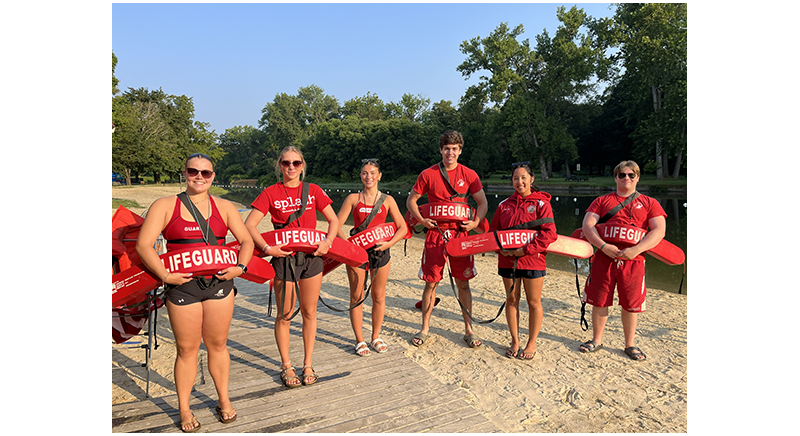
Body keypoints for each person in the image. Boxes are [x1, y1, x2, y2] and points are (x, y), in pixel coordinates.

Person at [136, 153, 253, 432]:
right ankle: (184, 408)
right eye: (193, 171)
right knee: (187, 350)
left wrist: (241, 267)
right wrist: (164, 275)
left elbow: (246, 240)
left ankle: (223, 399)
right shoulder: (165, 205)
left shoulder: (224, 207)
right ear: (185, 173)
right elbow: (144, 245)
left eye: (206, 173)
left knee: (218, 345)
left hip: (220, 285)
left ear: (213, 177)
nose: (199, 177)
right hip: (182, 287)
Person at [244, 146, 339, 387]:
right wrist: (267, 249)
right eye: (286, 163)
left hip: (312, 259)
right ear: (279, 165)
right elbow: (250, 225)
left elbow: (334, 220)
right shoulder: (270, 192)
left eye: (296, 163)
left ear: (302, 166)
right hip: (284, 259)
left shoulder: (314, 190)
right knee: (285, 315)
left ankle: (307, 363)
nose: (291, 167)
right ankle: (286, 365)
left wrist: (328, 242)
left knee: (309, 312)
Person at [406, 130, 488, 348]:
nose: (450, 152)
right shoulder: (428, 174)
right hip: (435, 234)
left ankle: (469, 329)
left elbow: (482, 202)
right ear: (441, 150)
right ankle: (424, 328)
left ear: (460, 151)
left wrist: (474, 223)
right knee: (431, 283)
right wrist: (422, 220)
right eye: (446, 148)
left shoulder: (469, 174)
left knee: (464, 283)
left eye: (454, 149)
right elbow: (411, 201)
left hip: (461, 235)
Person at [578, 160, 666, 361]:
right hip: (604, 257)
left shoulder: (650, 203)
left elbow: (659, 230)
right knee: (600, 300)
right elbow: (587, 225)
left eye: (631, 175)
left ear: (637, 177)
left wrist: (636, 249)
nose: (626, 178)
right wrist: (603, 246)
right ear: (615, 177)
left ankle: (630, 344)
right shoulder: (601, 201)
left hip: (634, 260)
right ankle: (597, 340)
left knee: (630, 303)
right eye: (622, 175)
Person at [335, 159, 408, 356]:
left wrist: (389, 244)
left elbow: (403, 228)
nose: (369, 177)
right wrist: (349, 246)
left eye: (373, 173)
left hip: (381, 252)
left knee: (379, 296)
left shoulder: (388, 200)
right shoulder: (353, 198)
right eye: (365, 173)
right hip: (357, 254)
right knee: (357, 296)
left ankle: (375, 336)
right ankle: (359, 340)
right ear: (361, 176)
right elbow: (336, 225)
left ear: (379, 176)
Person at [489, 162, 557, 360]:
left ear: (531, 179)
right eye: (516, 178)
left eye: (523, 177)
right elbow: (494, 234)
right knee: (511, 300)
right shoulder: (504, 205)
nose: (520, 182)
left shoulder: (542, 204)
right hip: (507, 261)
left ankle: (531, 342)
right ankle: (515, 340)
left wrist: (525, 250)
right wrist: (500, 249)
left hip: (533, 261)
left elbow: (549, 234)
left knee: (533, 302)